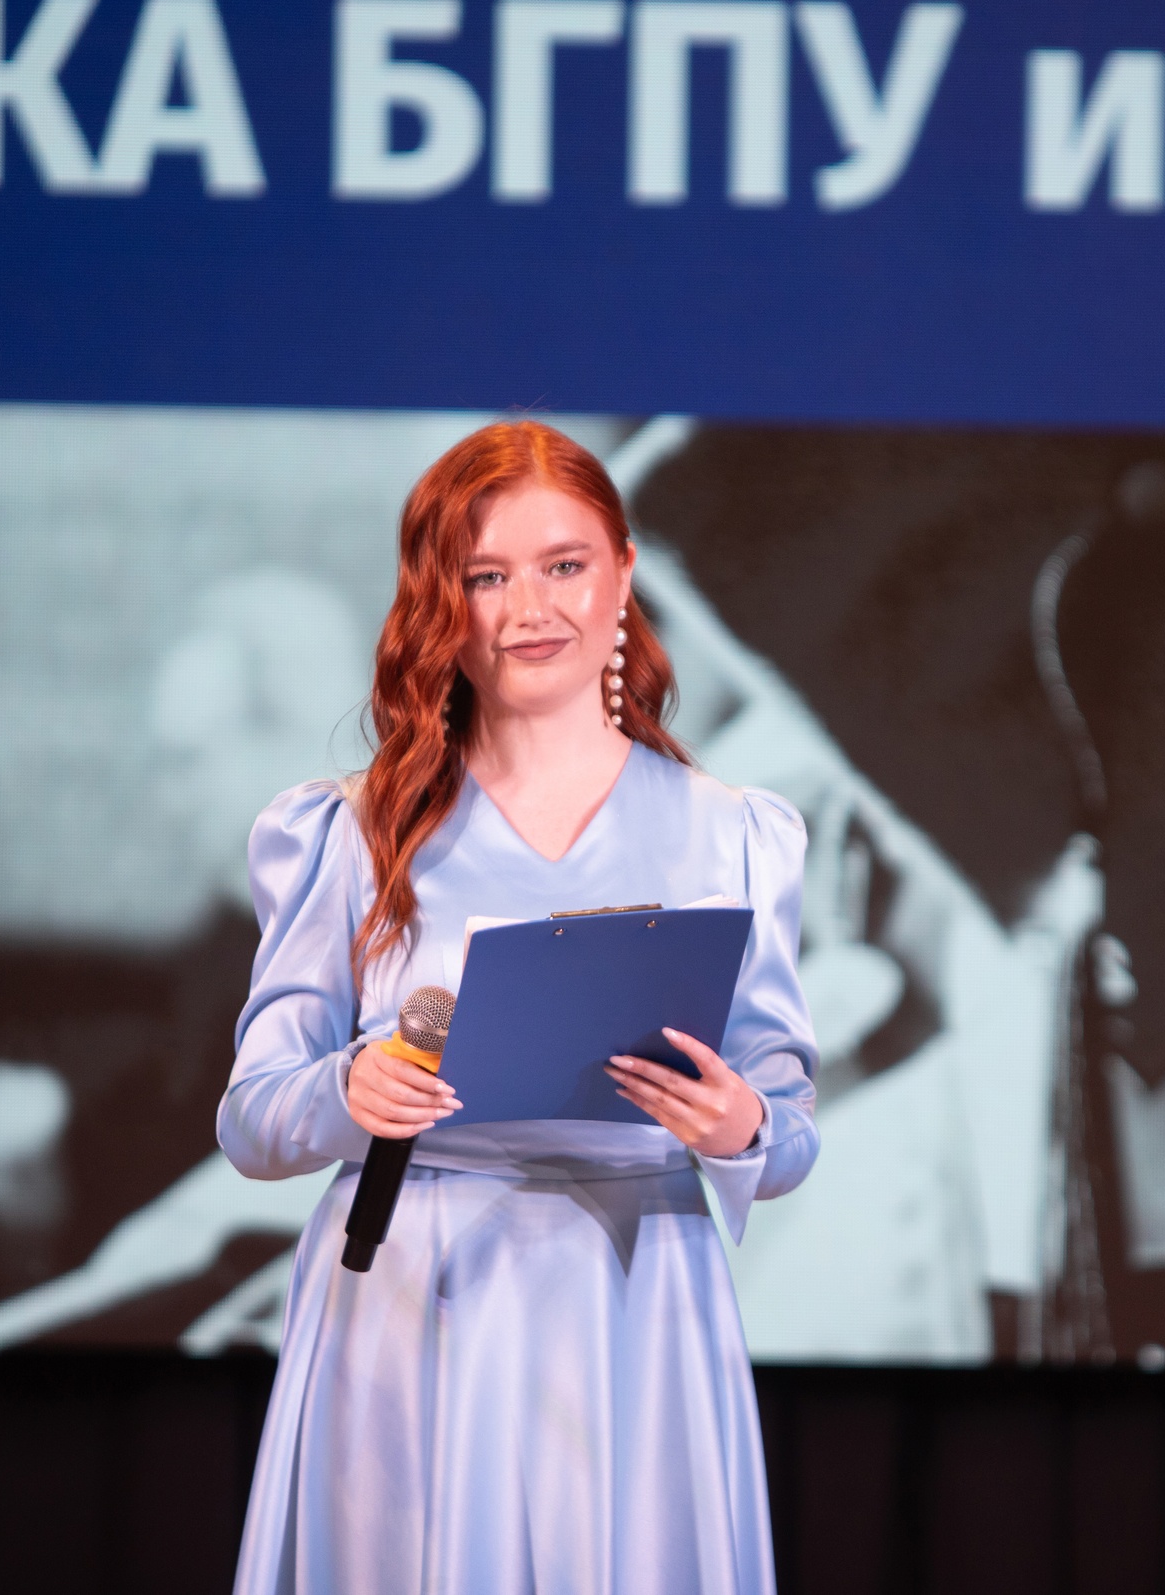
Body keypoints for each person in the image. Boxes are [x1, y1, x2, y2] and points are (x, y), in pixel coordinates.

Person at [220, 421, 819, 1595]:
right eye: (486, 576)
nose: (530, 608)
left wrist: (740, 1124)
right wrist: (346, 1089)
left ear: (623, 575)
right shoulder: (348, 830)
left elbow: (787, 1127)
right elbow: (252, 1119)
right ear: (439, 601)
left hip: (638, 1295)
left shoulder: (733, 833)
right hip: (411, 1292)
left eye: (564, 565)